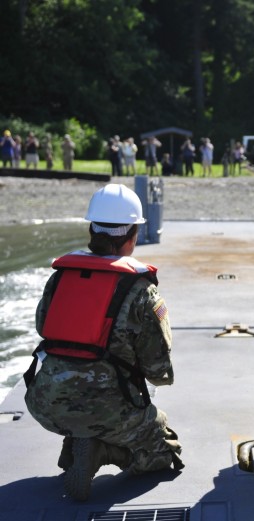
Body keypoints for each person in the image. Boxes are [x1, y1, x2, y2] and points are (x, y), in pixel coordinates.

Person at [23, 184, 184, 501]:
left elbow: (44, 327)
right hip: (109, 408)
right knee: (167, 454)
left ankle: (77, 438)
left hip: (44, 405)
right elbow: (157, 368)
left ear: (91, 229)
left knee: (83, 394)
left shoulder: (60, 277)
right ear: (133, 235)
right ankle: (103, 452)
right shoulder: (141, 290)